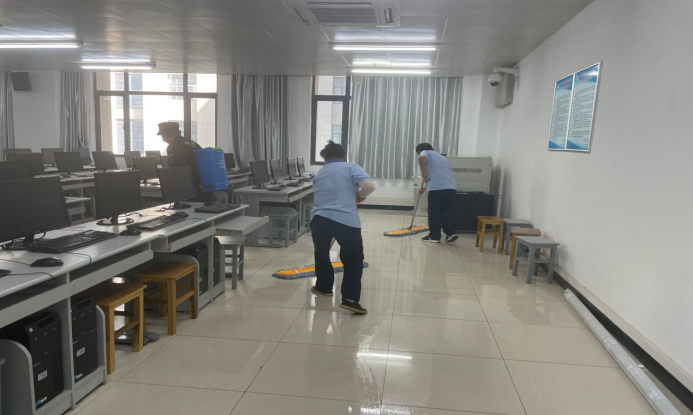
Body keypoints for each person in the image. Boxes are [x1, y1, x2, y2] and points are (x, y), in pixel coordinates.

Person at [310, 141, 375, 315]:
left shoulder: (320, 172)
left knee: (321, 253)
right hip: (345, 219)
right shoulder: (351, 167)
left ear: (325, 158)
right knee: (353, 258)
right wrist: (359, 196)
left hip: (320, 218)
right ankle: (350, 299)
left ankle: (323, 287)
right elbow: (369, 187)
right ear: (344, 156)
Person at [416, 143, 458, 243]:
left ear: (419, 151)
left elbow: (421, 158)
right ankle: (450, 233)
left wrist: (423, 172)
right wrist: (425, 187)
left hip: (438, 188)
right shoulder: (441, 157)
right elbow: (439, 174)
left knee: (433, 212)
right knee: (444, 211)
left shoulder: (425, 152)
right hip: (450, 187)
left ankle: (434, 236)